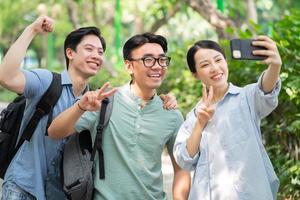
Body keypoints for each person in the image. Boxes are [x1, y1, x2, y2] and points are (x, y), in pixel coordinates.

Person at [48, 33, 191, 200]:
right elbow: (54, 132)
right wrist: (80, 107)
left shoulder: (171, 114)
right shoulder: (104, 102)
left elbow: (181, 168)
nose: (157, 66)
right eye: (148, 60)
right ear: (129, 66)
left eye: (162, 59)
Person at [173, 36, 282, 200]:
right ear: (195, 74)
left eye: (218, 60)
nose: (215, 68)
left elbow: (265, 91)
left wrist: (275, 66)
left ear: (226, 61)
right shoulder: (194, 116)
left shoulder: (246, 97)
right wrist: (199, 124)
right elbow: (184, 160)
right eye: (205, 65)